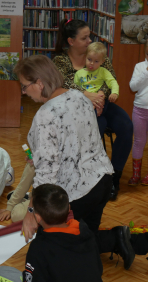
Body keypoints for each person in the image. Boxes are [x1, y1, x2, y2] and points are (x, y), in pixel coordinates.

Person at [13, 54, 136, 270]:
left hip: (76, 193)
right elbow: (75, 140)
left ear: (39, 83)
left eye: (24, 86)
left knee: (51, 243)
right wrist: (41, 153)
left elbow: (46, 175)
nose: (23, 92)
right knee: (84, 238)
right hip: (102, 180)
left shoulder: (45, 115)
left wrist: (33, 213)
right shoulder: (79, 96)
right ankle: (116, 238)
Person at [53, 19, 133, 200]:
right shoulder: (60, 60)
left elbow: (109, 78)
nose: (90, 40)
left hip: (102, 104)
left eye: (89, 36)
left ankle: (114, 177)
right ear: (71, 41)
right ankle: (94, 177)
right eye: (85, 38)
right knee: (97, 126)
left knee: (126, 127)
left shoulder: (98, 54)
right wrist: (86, 95)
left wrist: (100, 98)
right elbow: (61, 84)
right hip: (77, 110)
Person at [22, 184, 105, 282]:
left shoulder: (39, 247)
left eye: (31, 209)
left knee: (4, 275)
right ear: (69, 209)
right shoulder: (86, 232)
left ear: (38, 217)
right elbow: (99, 269)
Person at [74, 42, 119, 116]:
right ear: (85, 57)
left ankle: (97, 109)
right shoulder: (79, 73)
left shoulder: (103, 71)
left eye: (96, 61)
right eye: (89, 59)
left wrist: (114, 92)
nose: (92, 63)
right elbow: (76, 89)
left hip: (99, 99)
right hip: (84, 99)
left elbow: (112, 82)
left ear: (102, 61)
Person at [128, 40, 148, 185]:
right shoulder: (140, 67)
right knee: (139, 141)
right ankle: (136, 174)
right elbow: (133, 87)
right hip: (140, 109)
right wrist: (146, 73)